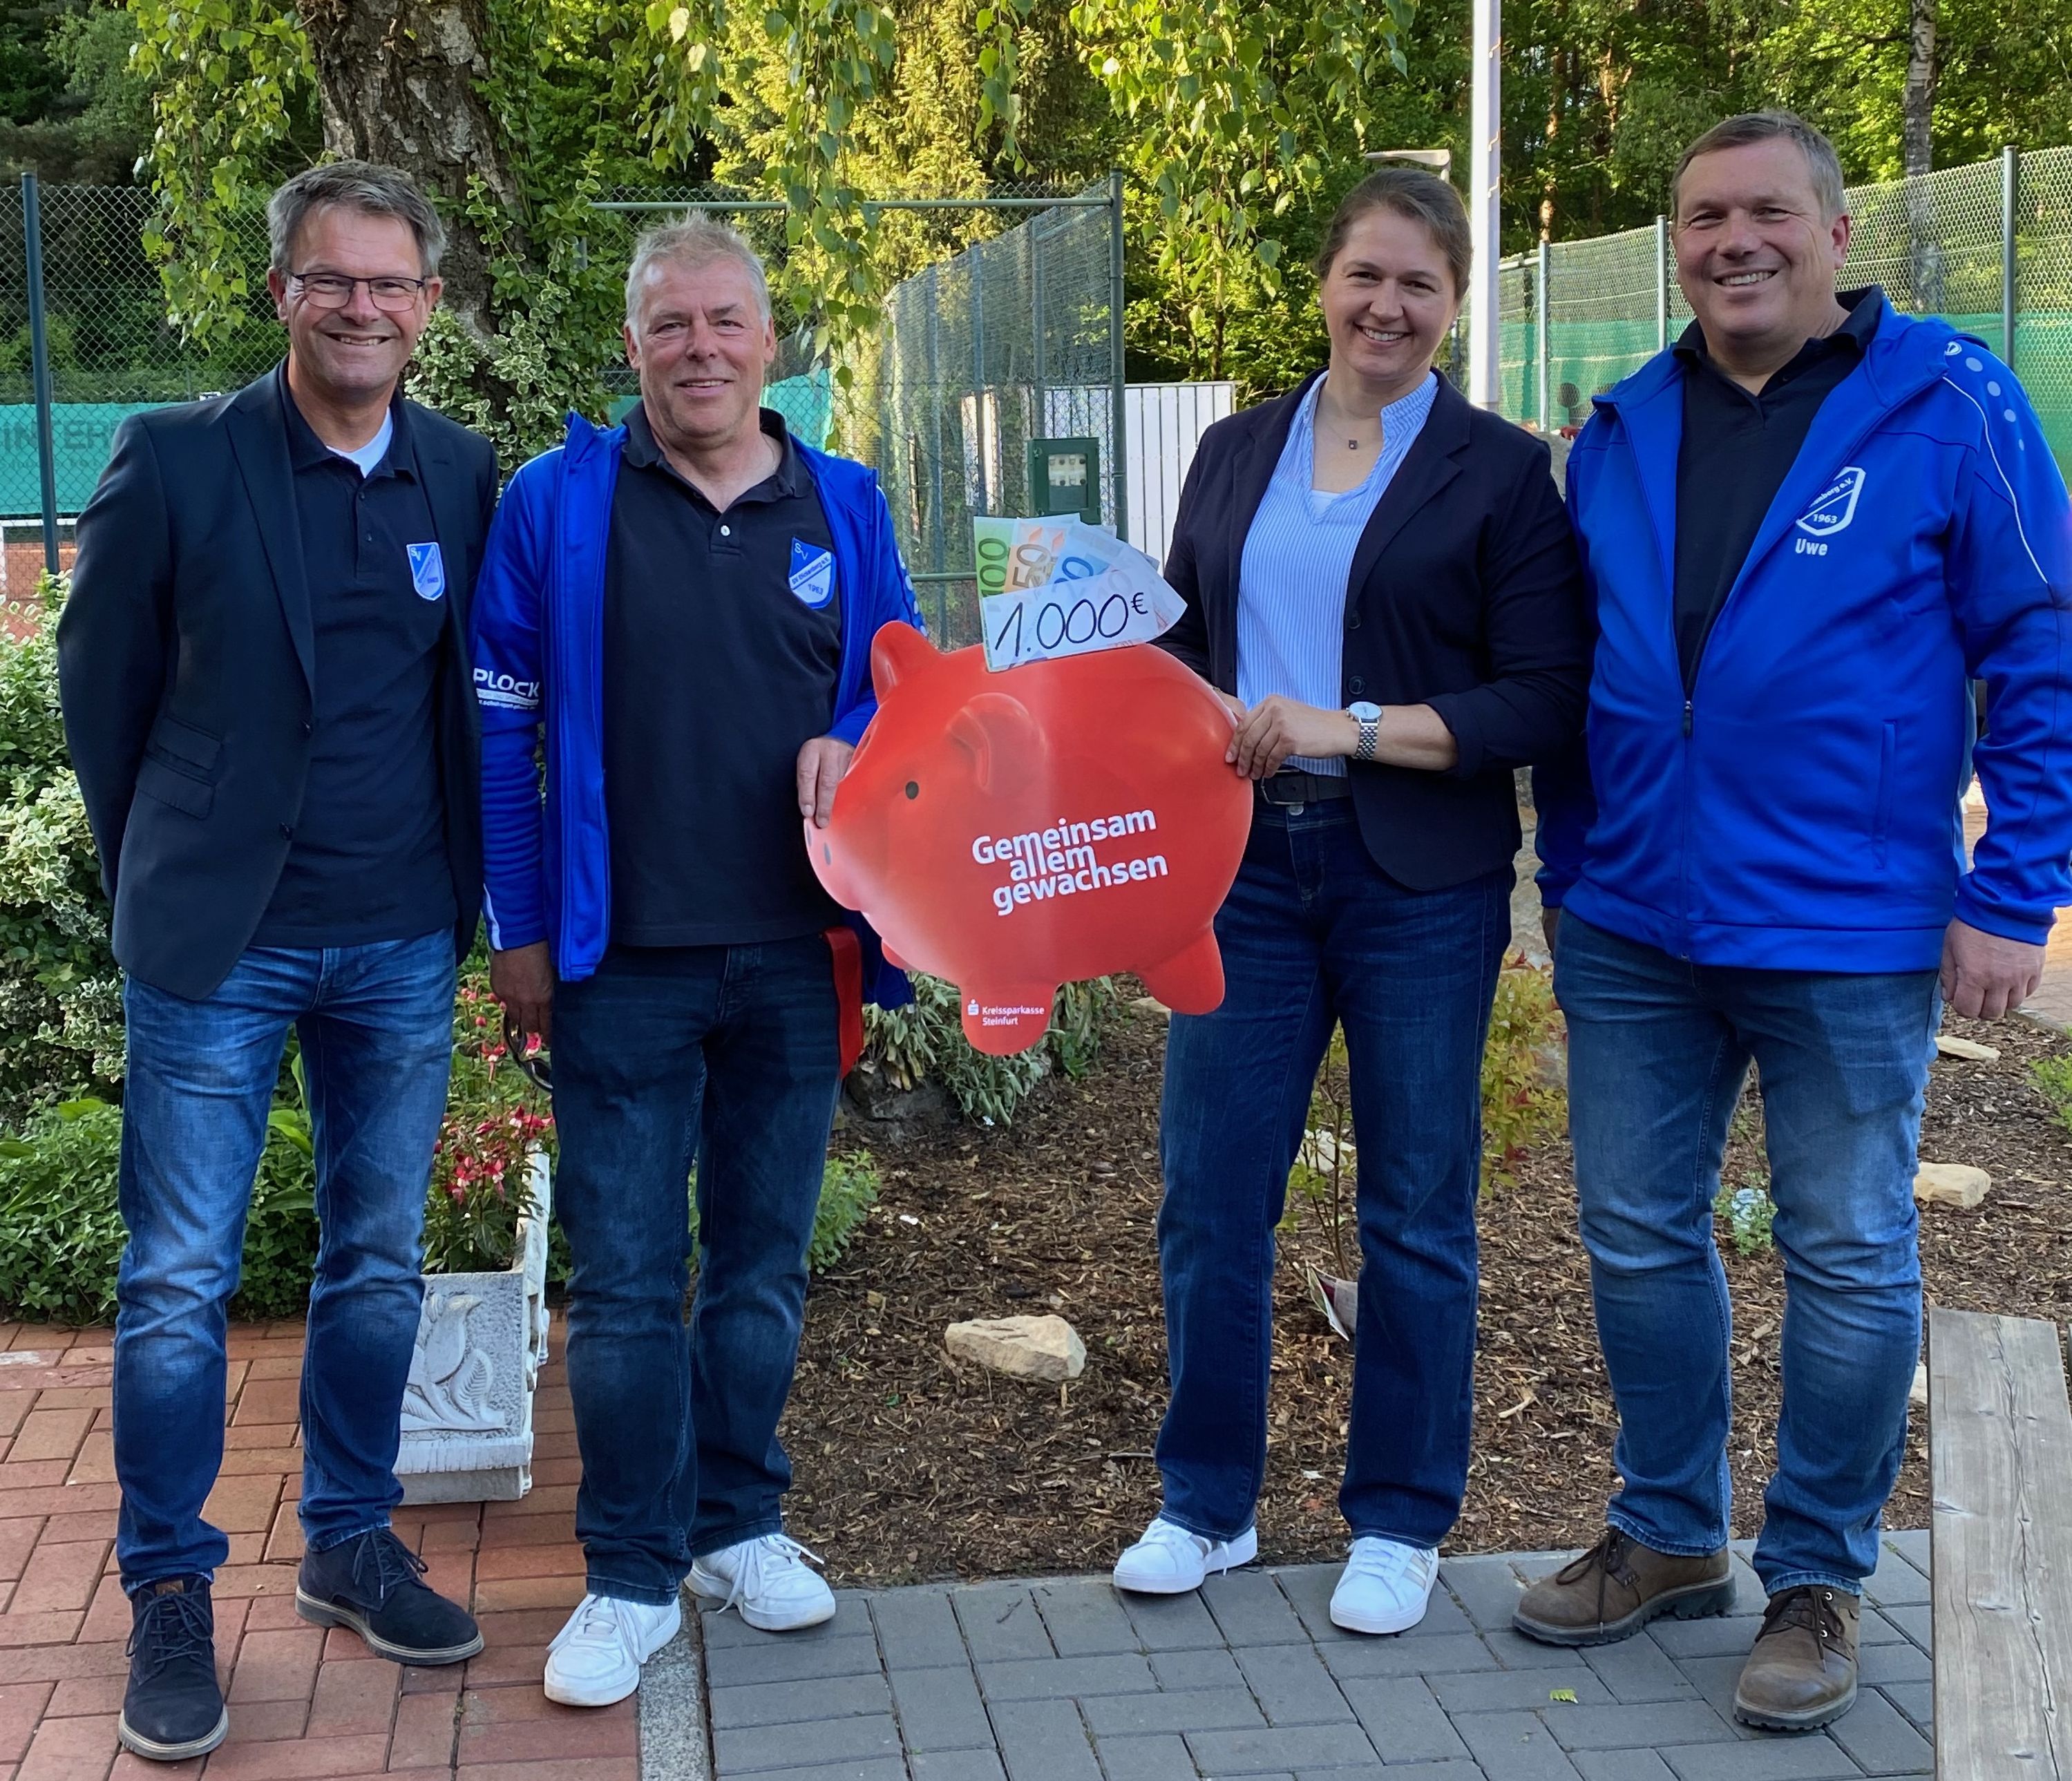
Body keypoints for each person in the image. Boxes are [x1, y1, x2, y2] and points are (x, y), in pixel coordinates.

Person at [1523, 111, 2072, 1732]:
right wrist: (1568, 870)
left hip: (1847, 918)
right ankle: (1670, 1531)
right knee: (1637, 1231)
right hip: (1635, 914)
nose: (1733, 241)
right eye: (1704, 217)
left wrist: (2016, 885)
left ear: (1835, 233)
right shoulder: (1622, 424)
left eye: (1768, 210)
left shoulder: (1948, 400)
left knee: (1845, 1248)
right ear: (1677, 245)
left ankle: (1819, 1573)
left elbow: (2039, 644)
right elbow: (1576, 666)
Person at [58, 162, 499, 1764]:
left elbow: (472, 697)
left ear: (427, 306)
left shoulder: (463, 471)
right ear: (281, 293)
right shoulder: (176, 458)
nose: (361, 308)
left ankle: (348, 1537)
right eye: (333, 280)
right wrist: (163, 873)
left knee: (375, 1257)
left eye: (390, 284)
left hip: (400, 934)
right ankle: (169, 1587)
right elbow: (100, 694)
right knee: (178, 1277)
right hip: (218, 945)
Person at [1115, 167, 1591, 1632]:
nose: (1388, 306)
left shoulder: (1500, 473)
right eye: (1366, 276)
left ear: (1455, 305)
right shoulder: (1235, 449)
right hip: (1242, 870)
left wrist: (1350, 724)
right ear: (1325, 283)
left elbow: (1540, 697)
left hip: (1418, 881)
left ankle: (1399, 1516)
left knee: (1418, 1208)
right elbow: (1179, 643)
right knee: (1211, 1194)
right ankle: (1207, 1502)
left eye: (1419, 285)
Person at [473, 216, 920, 1708]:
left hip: (800, 953)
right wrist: (521, 929)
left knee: (759, 1270)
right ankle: (627, 1570)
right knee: (623, 1283)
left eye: (727, 321)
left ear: (771, 342)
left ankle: (738, 1524)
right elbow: (499, 730)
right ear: (632, 346)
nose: (701, 348)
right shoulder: (556, 503)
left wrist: (852, 735)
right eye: (671, 324)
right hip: (624, 962)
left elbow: (908, 695)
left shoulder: (844, 501)